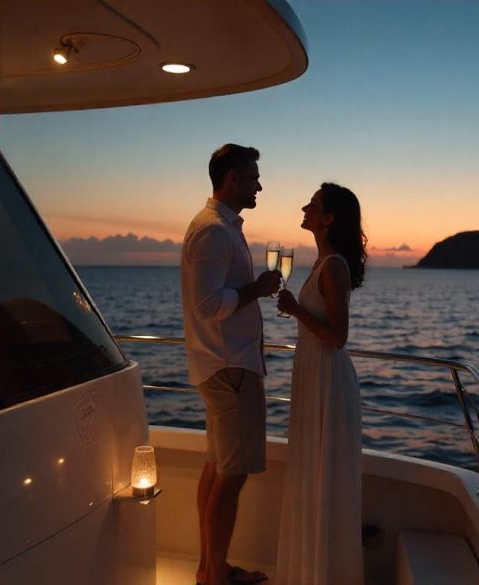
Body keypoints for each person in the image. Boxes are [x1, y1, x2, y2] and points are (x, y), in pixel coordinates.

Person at [181, 144, 281, 585]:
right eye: (254, 176)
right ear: (233, 179)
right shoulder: (215, 231)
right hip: (230, 370)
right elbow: (206, 304)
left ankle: (210, 569)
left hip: (225, 367)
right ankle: (216, 575)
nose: (260, 184)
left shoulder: (220, 227)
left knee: (217, 468)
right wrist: (255, 292)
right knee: (232, 475)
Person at [274, 183, 368, 585]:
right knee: (313, 472)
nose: (304, 207)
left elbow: (337, 336)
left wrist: (294, 308)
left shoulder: (333, 267)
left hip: (327, 377)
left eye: (312, 205)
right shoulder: (321, 263)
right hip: (313, 373)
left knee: (324, 476)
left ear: (328, 219)